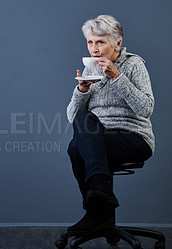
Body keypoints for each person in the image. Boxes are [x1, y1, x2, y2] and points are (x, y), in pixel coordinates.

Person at [66, 15, 155, 236]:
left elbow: (146, 109)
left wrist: (116, 76)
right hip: (99, 138)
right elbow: (72, 118)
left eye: (100, 42)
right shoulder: (90, 70)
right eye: (90, 42)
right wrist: (81, 92)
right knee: (80, 123)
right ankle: (101, 204)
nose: (94, 49)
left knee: (76, 147)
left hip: (133, 137)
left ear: (117, 43)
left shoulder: (134, 64)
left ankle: (96, 212)